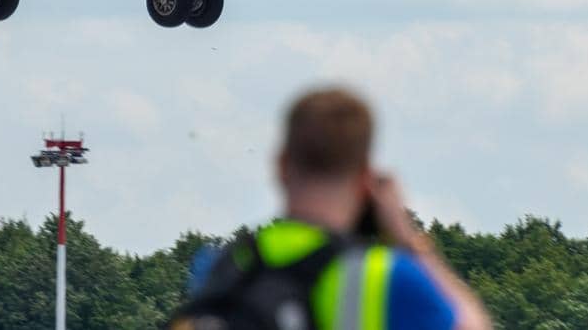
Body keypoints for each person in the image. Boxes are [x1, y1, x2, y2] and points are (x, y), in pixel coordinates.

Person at [168, 87, 491, 330]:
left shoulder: (220, 268)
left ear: (281, 166)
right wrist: (409, 239)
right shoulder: (382, 276)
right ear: (367, 181)